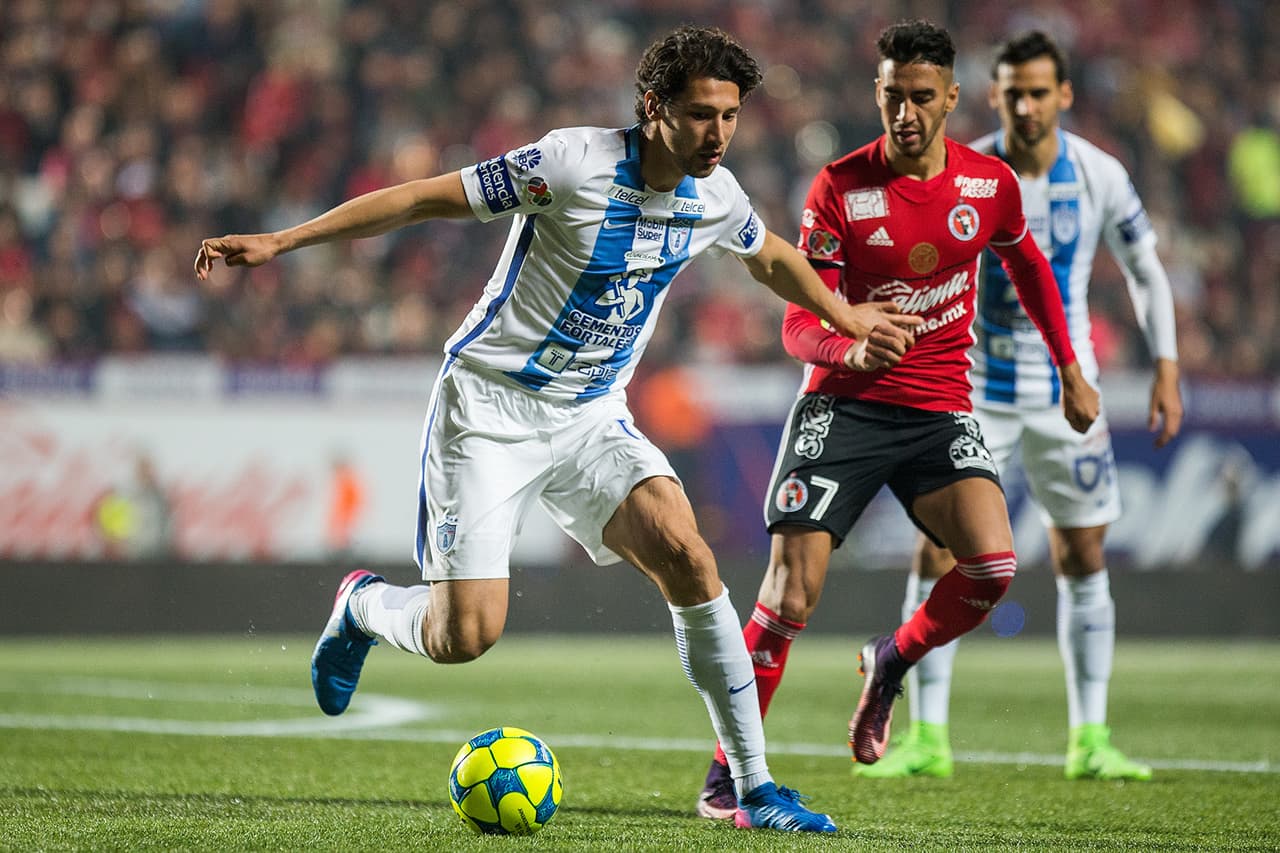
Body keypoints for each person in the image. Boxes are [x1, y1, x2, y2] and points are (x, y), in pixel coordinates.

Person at [195, 25, 921, 834]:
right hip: (489, 410)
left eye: (729, 116)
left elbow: (771, 256)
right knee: (464, 635)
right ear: (653, 107)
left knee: (689, 555)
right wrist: (284, 241)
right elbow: (424, 198)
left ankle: (751, 787)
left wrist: (844, 314)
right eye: (699, 114)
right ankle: (364, 606)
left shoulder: (715, 196)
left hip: (591, 416)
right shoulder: (569, 163)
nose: (717, 133)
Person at [696, 19, 1100, 819]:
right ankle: (725, 777)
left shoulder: (988, 185)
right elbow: (797, 323)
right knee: (789, 596)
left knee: (992, 568)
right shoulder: (840, 187)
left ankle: (892, 658)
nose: (905, 113)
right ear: (876, 94)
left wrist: (1070, 368)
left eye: (921, 97)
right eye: (892, 96)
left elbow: (1030, 267)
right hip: (841, 407)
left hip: (937, 409)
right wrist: (848, 346)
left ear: (951, 98)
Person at [860, 30, 1182, 783]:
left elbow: (1145, 270)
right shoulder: (964, 171)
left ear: (1063, 95)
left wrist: (1166, 367)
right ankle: (926, 737)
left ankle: (1090, 738)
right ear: (992, 97)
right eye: (1013, 94)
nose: (1027, 106)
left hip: (1069, 391)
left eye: (1039, 92)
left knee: (1083, 553)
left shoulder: (1099, 174)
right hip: (973, 390)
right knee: (940, 550)